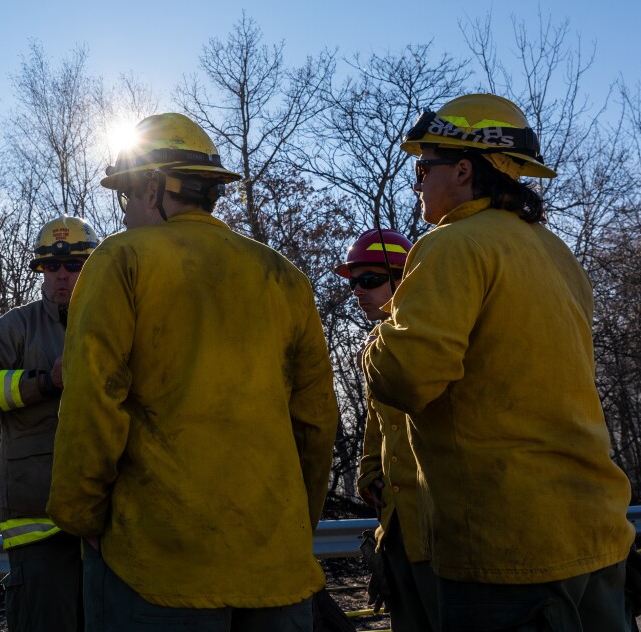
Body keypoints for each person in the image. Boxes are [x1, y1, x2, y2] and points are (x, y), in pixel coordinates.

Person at [46, 112, 338, 630]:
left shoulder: (121, 259)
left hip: (159, 571)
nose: (127, 212)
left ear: (157, 187)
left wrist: (82, 513)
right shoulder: (283, 277)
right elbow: (316, 422)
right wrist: (294, 526)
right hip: (275, 566)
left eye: (129, 196)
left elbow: (94, 395)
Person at [364, 93, 634, 630]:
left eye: (424, 167)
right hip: (597, 532)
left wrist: (378, 338)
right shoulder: (554, 251)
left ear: (463, 170)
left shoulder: (451, 246)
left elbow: (405, 378)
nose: (416, 180)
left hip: (508, 547)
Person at [0, 215, 99, 632]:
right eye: (51, 266)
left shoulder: (112, 321)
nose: (62, 275)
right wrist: (43, 382)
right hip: (38, 523)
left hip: (105, 521)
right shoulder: (18, 326)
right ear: (40, 271)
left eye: (74, 265)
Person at [338, 229, 439, 631]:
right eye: (353, 282)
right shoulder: (376, 344)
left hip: (440, 527)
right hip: (396, 526)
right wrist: (368, 470)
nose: (358, 291)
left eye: (369, 280)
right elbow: (376, 420)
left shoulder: (435, 334)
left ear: (405, 279)